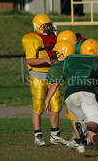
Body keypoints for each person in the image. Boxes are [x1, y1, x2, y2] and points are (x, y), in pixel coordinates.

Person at [46, 39, 98, 161]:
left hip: (69, 96)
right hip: (86, 93)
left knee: (91, 127)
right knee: (96, 126)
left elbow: (56, 83)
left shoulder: (68, 60)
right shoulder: (95, 61)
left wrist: (47, 100)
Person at [21, 14, 67, 146]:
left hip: (53, 73)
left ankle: (55, 135)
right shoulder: (32, 38)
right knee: (39, 104)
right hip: (38, 74)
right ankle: (38, 135)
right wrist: (46, 60)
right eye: (45, 25)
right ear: (38, 26)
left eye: (48, 24)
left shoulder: (53, 36)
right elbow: (30, 60)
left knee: (56, 104)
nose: (48, 27)